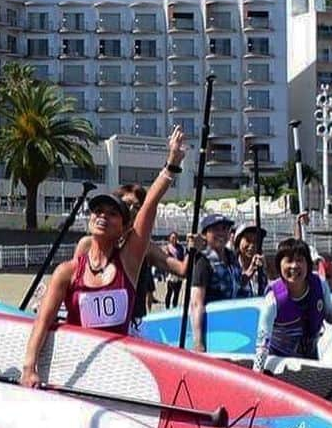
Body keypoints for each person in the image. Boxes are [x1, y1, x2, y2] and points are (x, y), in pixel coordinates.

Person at [22, 128, 187, 385]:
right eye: (97, 211)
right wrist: (29, 367)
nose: (102, 216)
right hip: (76, 367)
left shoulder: (129, 262)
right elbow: (42, 323)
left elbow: (150, 205)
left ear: (124, 225)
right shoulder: (66, 271)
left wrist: (171, 164)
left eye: (112, 213)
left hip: (118, 367)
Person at [253, 237, 332, 370]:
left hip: (310, 362)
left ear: (308, 264)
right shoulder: (273, 299)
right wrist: (257, 376)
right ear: (279, 266)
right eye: (289, 261)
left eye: (299, 260)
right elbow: (262, 345)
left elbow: (331, 318)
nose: (294, 266)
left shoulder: (320, 285)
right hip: (279, 366)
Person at [190, 212, 245, 352]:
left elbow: (236, 284)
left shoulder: (231, 257)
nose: (221, 233)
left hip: (234, 326)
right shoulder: (203, 261)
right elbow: (196, 303)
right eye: (216, 229)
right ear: (204, 234)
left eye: (225, 229)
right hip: (214, 329)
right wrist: (198, 342)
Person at [234, 222, 267, 297]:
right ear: (238, 242)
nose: (252, 245)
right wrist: (250, 271)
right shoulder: (231, 266)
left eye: (256, 241)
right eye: (248, 240)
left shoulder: (262, 267)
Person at [163, 231, 185, 309]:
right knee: (169, 291)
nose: (174, 239)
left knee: (177, 292)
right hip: (170, 272)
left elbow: (182, 258)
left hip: (178, 272)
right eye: (172, 237)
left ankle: (174, 307)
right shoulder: (167, 248)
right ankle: (167, 307)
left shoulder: (180, 248)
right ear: (169, 239)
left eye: (175, 237)